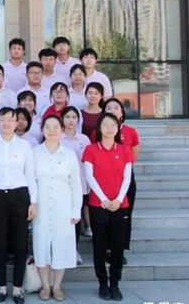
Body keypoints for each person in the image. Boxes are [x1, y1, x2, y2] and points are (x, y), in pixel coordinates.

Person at [0, 107, 37, 304]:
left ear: (16, 123)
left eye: (10, 119)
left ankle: (17, 289)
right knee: (0, 243)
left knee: (20, 244)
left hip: (20, 195)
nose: (6, 123)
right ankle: (1, 288)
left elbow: (30, 173)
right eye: (2, 119)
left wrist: (33, 201)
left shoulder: (24, 145)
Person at [82, 113, 134, 301]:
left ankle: (115, 284)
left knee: (118, 247)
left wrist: (118, 199)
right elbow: (89, 176)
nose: (110, 128)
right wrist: (104, 199)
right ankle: (103, 284)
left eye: (113, 124)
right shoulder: (91, 150)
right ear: (99, 128)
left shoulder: (125, 150)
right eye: (106, 124)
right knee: (99, 245)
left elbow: (127, 178)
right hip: (98, 205)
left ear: (118, 127)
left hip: (121, 205)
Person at [32, 115, 83, 301]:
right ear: (42, 130)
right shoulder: (34, 153)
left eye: (55, 127)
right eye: (48, 127)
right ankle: (46, 286)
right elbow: (30, 181)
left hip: (63, 207)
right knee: (41, 245)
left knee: (62, 245)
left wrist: (76, 209)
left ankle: (57, 286)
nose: (52, 130)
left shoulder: (69, 154)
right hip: (41, 206)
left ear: (61, 130)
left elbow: (76, 184)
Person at [102, 98, 140, 262]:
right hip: (104, 178)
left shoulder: (130, 131)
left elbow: (134, 154)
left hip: (125, 177)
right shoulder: (98, 131)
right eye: (108, 107)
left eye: (116, 107)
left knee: (124, 215)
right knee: (105, 216)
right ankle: (106, 248)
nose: (112, 110)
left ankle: (120, 249)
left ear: (122, 112)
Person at [61, 106, 92, 252]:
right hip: (61, 184)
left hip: (80, 182)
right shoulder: (57, 137)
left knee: (76, 217)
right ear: (62, 119)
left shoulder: (84, 139)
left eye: (74, 117)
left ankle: (74, 250)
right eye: (67, 117)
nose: (71, 120)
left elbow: (89, 162)